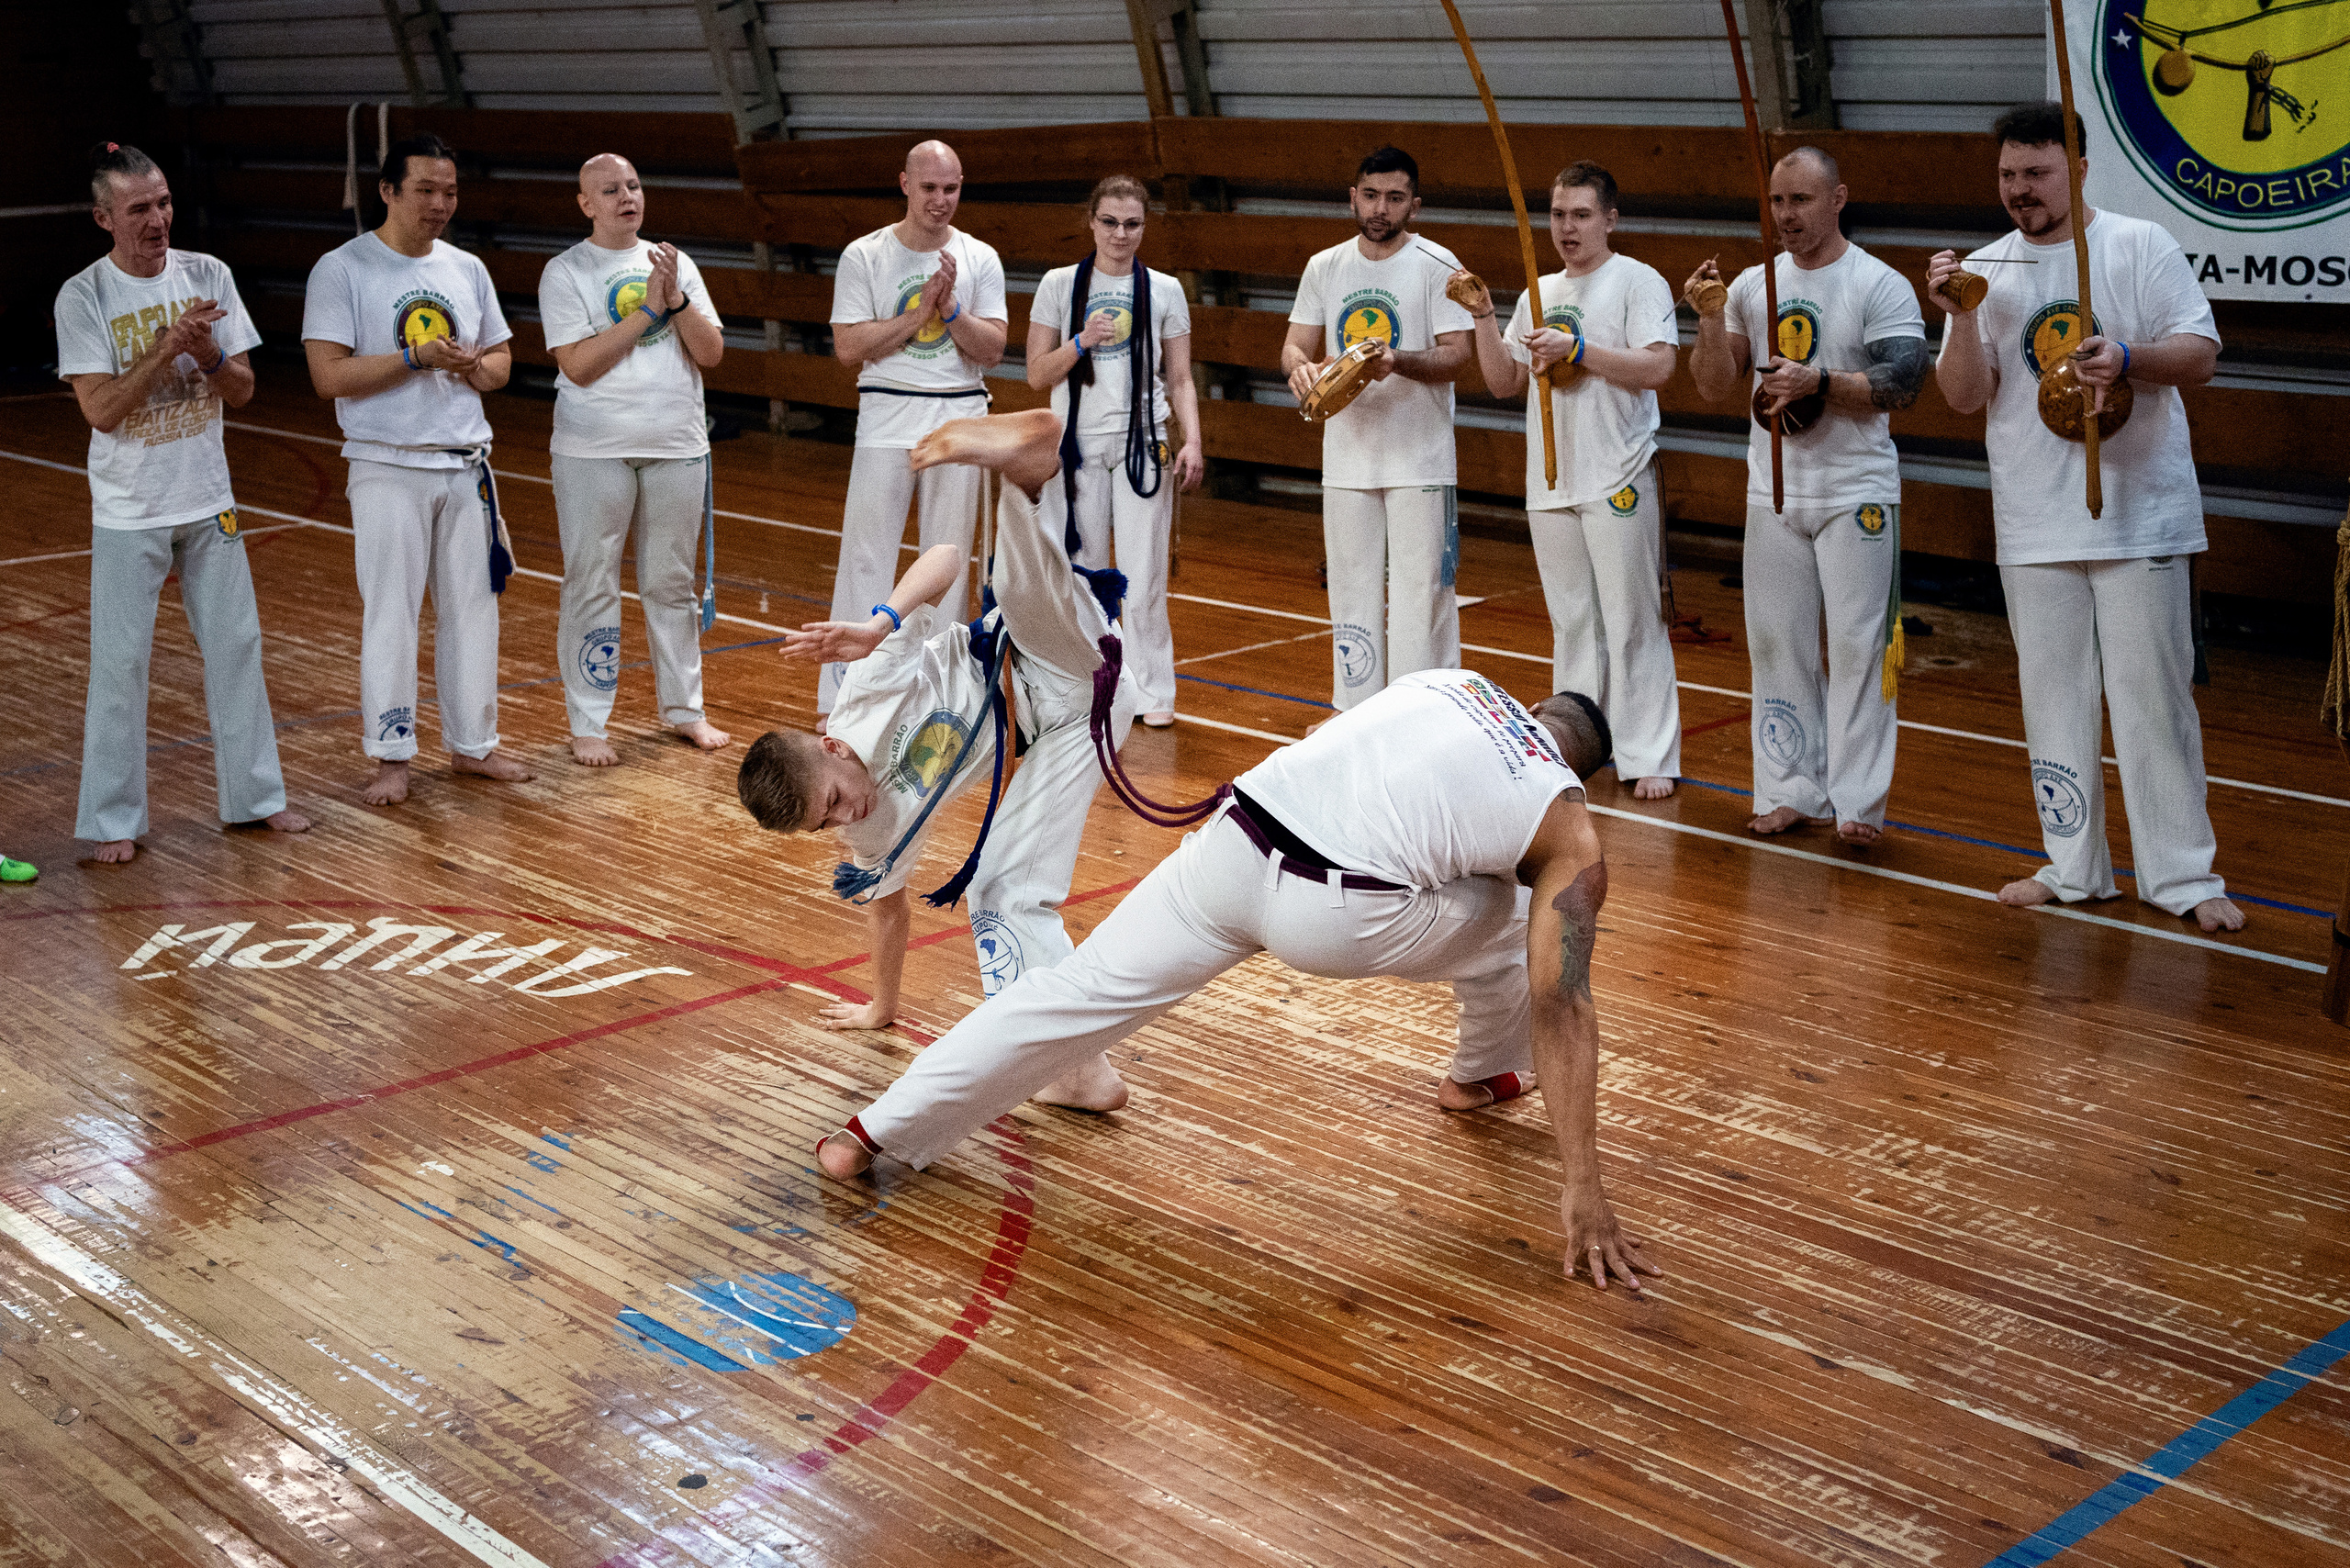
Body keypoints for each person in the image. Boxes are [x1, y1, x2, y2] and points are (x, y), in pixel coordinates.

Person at [812, 661, 1657, 1294]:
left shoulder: (1450, 680)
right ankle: (1477, 1077)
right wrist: (1584, 1189)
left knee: (1070, 994)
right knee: (1526, 922)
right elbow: (1564, 1004)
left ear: (1532, 706)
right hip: (1338, 914)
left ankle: (869, 1135)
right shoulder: (1568, 820)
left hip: (1234, 841)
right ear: (1582, 774)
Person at [736, 409, 1140, 1106]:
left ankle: (1026, 473)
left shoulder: (864, 691)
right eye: (823, 824)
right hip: (1077, 730)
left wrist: (879, 624)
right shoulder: (865, 835)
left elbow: (947, 557)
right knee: (1000, 894)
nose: (845, 818)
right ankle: (1076, 1070)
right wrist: (881, 1007)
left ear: (831, 746)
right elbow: (887, 913)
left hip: (1047, 655)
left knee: (1017, 588)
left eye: (833, 800)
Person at [1930, 103, 2243, 933]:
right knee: (2053, 703)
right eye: (2008, 175)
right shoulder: (1983, 269)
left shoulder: (2139, 245)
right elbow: (1962, 396)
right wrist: (1961, 313)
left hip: (2139, 516)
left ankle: (2182, 876)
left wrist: (2129, 356)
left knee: (2153, 703)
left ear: (2078, 169)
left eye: (2036, 173)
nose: (2019, 190)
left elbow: (2202, 355)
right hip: (2034, 519)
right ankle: (2073, 870)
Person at [57, 141, 308, 865]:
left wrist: (210, 355)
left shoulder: (209, 275)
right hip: (128, 510)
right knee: (120, 666)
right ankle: (113, 820)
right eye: (139, 208)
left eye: (163, 202)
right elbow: (102, 411)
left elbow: (244, 389)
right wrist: (165, 349)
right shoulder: (84, 296)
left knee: (237, 649)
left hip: (209, 500)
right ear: (104, 218)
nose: (157, 219)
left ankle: (256, 798)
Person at [1688, 146, 1926, 846]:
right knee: (1777, 646)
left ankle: (1857, 804)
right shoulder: (1750, 286)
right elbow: (1712, 384)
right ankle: (1790, 790)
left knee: (1858, 649)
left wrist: (1820, 381)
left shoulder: (1878, 283)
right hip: (1773, 494)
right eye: (1777, 201)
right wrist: (1709, 319)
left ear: (1838, 199)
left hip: (1858, 494)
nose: (1786, 215)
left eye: (1801, 200)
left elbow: (1906, 384)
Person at [302, 134, 531, 807]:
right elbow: (327, 376)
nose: (440, 204)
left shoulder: (467, 268)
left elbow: (501, 364)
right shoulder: (342, 269)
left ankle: (474, 744)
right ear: (388, 191)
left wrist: (473, 366)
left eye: (449, 192)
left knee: (474, 613)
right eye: (425, 190)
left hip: (465, 466)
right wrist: (415, 359)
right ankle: (391, 754)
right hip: (385, 465)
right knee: (392, 615)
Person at [1459, 160, 1682, 801]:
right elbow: (1504, 381)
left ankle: (1649, 752)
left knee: (1632, 618)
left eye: (1581, 214)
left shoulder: (1637, 280)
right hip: (1552, 480)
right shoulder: (1539, 290)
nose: (1567, 227)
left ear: (1610, 219)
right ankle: (1582, 743)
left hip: (1618, 474)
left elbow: (1658, 367)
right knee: (1574, 620)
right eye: (1558, 214)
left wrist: (1577, 350)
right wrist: (1483, 317)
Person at [540, 152, 730, 767]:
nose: (627, 197)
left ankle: (686, 709)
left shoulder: (675, 262)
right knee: (592, 580)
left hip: (676, 444)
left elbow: (711, 353)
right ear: (585, 204)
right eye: (610, 190)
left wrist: (676, 301)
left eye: (634, 185)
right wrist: (647, 310)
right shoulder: (565, 271)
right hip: (593, 449)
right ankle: (589, 721)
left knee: (670, 583)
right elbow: (579, 365)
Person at [821, 140, 1009, 725]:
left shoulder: (979, 257)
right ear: (905, 184)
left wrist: (951, 312)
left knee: (946, 559)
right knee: (865, 558)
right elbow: (848, 347)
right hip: (886, 416)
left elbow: (993, 350)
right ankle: (845, 700)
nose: (940, 200)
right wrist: (917, 314)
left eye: (951, 188)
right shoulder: (865, 255)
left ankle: (939, 698)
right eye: (929, 188)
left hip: (958, 419)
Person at [1282, 147, 1474, 711]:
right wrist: (1300, 368)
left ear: (1415, 204)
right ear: (1353, 197)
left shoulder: (1437, 263)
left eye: (1394, 198)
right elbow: (1295, 345)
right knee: (1351, 595)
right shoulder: (1325, 265)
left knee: (1422, 599)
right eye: (1370, 195)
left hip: (1421, 461)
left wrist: (1399, 360)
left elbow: (1458, 354)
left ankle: (1421, 719)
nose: (1380, 209)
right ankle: (1354, 715)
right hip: (1346, 458)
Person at [1026, 174, 1204, 729]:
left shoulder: (1165, 290)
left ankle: (1152, 691)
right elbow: (1036, 373)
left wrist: (1193, 439)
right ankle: (1088, 686)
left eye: (1132, 224)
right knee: (1082, 571)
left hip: (1142, 442)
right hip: (1076, 442)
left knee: (1144, 574)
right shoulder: (1059, 284)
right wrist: (1081, 342)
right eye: (1110, 222)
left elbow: (1180, 378)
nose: (1120, 234)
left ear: (1144, 227)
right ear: (1091, 222)